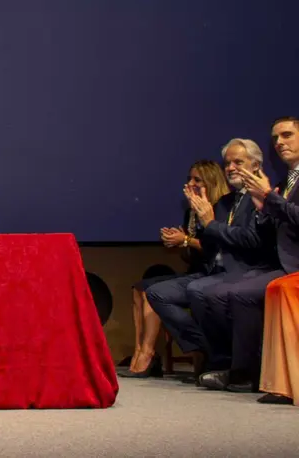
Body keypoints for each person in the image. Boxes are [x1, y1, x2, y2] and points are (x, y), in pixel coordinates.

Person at [146, 139, 278, 385]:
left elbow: (250, 240)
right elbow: (210, 246)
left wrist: (208, 224)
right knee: (156, 292)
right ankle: (208, 350)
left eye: (238, 162)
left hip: (245, 270)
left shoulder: (259, 198)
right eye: (227, 163)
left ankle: (226, 363)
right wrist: (193, 231)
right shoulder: (225, 202)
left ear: (256, 165)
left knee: (201, 290)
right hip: (212, 270)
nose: (230, 167)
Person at [214, 116, 299, 395]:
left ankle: (245, 374)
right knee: (237, 290)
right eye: (275, 138)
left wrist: (269, 199)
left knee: (241, 293)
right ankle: (249, 371)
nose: (279, 143)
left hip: (293, 263)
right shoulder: (288, 179)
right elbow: (275, 225)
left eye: (286, 135)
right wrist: (263, 208)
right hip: (281, 261)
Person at [120, 160, 228, 378]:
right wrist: (177, 241)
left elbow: (218, 248)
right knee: (140, 288)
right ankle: (142, 351)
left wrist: (186, 240)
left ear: (211, 181)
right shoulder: (191, 212)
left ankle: (159, 352)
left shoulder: (221, 208)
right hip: (197, 272)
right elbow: (192, 254)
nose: (191, 183)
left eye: (197, 179)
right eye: (190, 178)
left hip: (216, 274)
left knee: (155, 293)